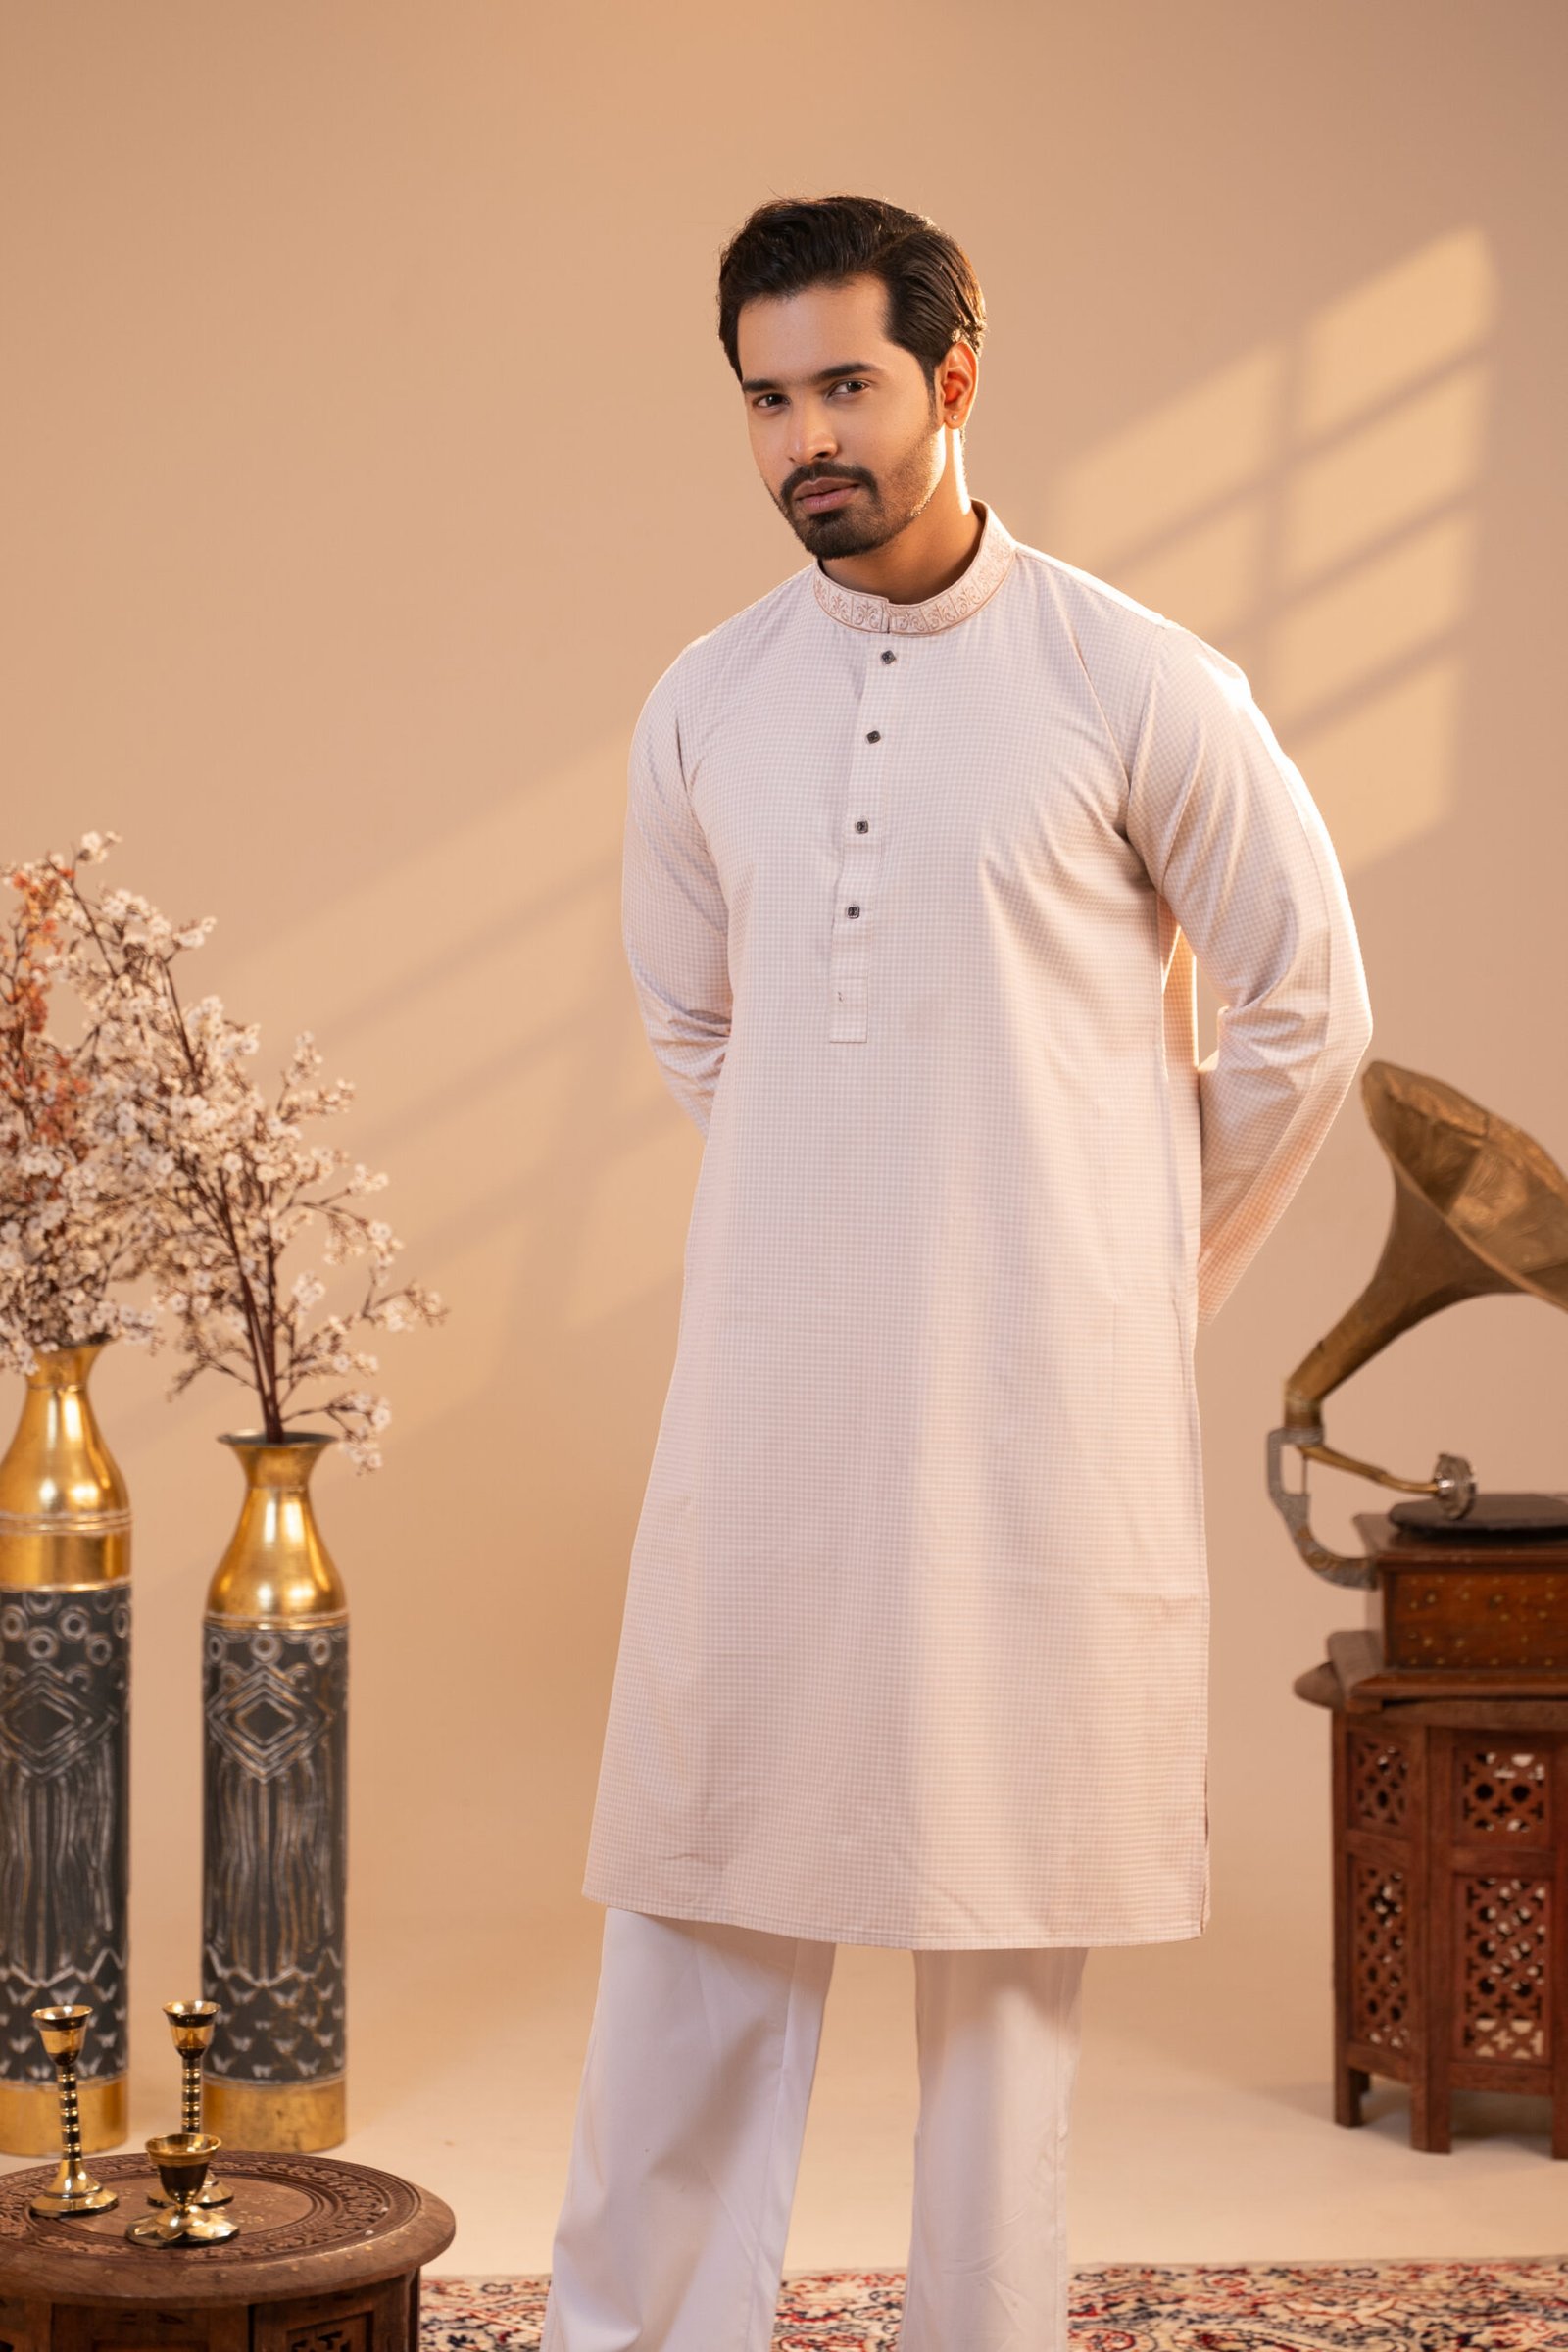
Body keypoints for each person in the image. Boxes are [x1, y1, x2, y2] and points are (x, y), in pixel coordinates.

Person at [540, 193, 1373, 2352]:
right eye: (768, 399)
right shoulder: (708, 702)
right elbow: (694, 1024)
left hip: (1031, 1409)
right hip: (773, 1393)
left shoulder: (1131, 679)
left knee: (998, 1937)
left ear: (955, 377)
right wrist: (843, 1210)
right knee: (702, 1880)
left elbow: (1306, 1014)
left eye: (846, 385)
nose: (806, 438)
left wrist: (1108, 1266)